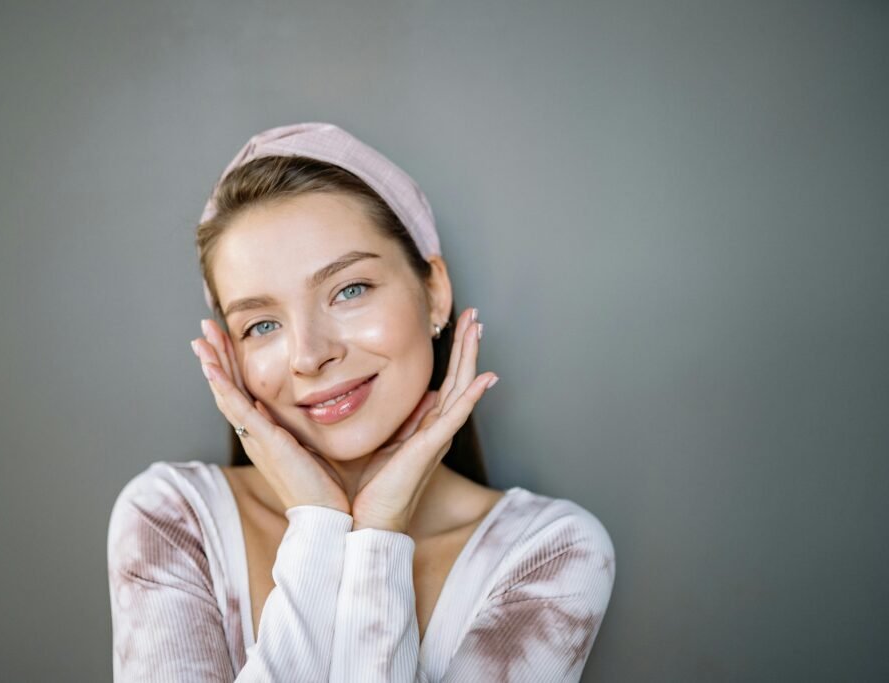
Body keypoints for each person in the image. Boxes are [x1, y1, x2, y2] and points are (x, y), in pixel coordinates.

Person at [106, 122, 615, 682]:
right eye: (262, 324)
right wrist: (321, 528)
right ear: (229, 353)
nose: (310, 355)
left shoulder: (550, 553)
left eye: (349, 290)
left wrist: (378, 535)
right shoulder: (173, 520)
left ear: (434, 291)